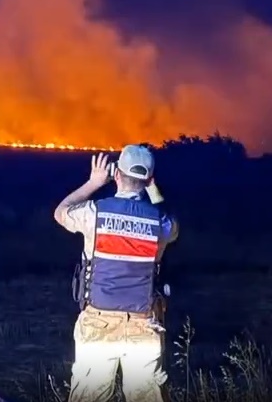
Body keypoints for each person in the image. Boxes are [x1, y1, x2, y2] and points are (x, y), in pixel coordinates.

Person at [54, 145, 179, 402]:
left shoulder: (95, 213)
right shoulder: (162, 223)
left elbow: (60, 212)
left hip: (98, 323)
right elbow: (169, 218)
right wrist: (153, 189)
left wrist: (93, 183)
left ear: (117, 175)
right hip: (143, 326)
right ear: (149, 181)